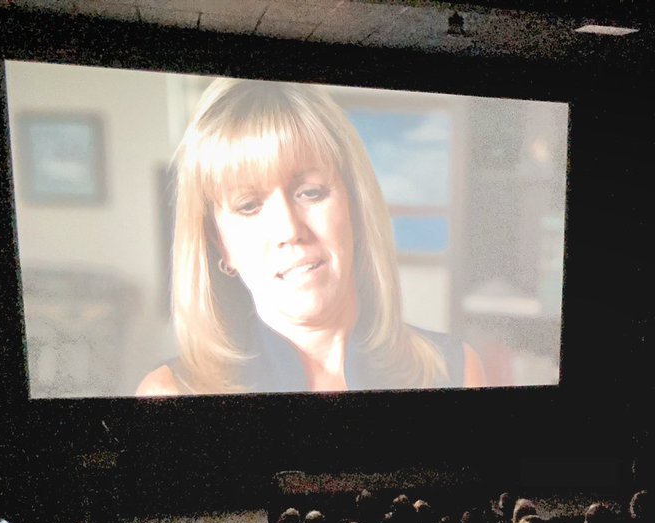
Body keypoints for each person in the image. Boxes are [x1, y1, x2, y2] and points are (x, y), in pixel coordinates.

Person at [137, 77, 485, 395]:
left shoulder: (454, 370)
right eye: (249, 206)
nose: (289, 229)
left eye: (311, 192)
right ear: (219, 243)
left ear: (354, 205)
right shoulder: (169, 394)